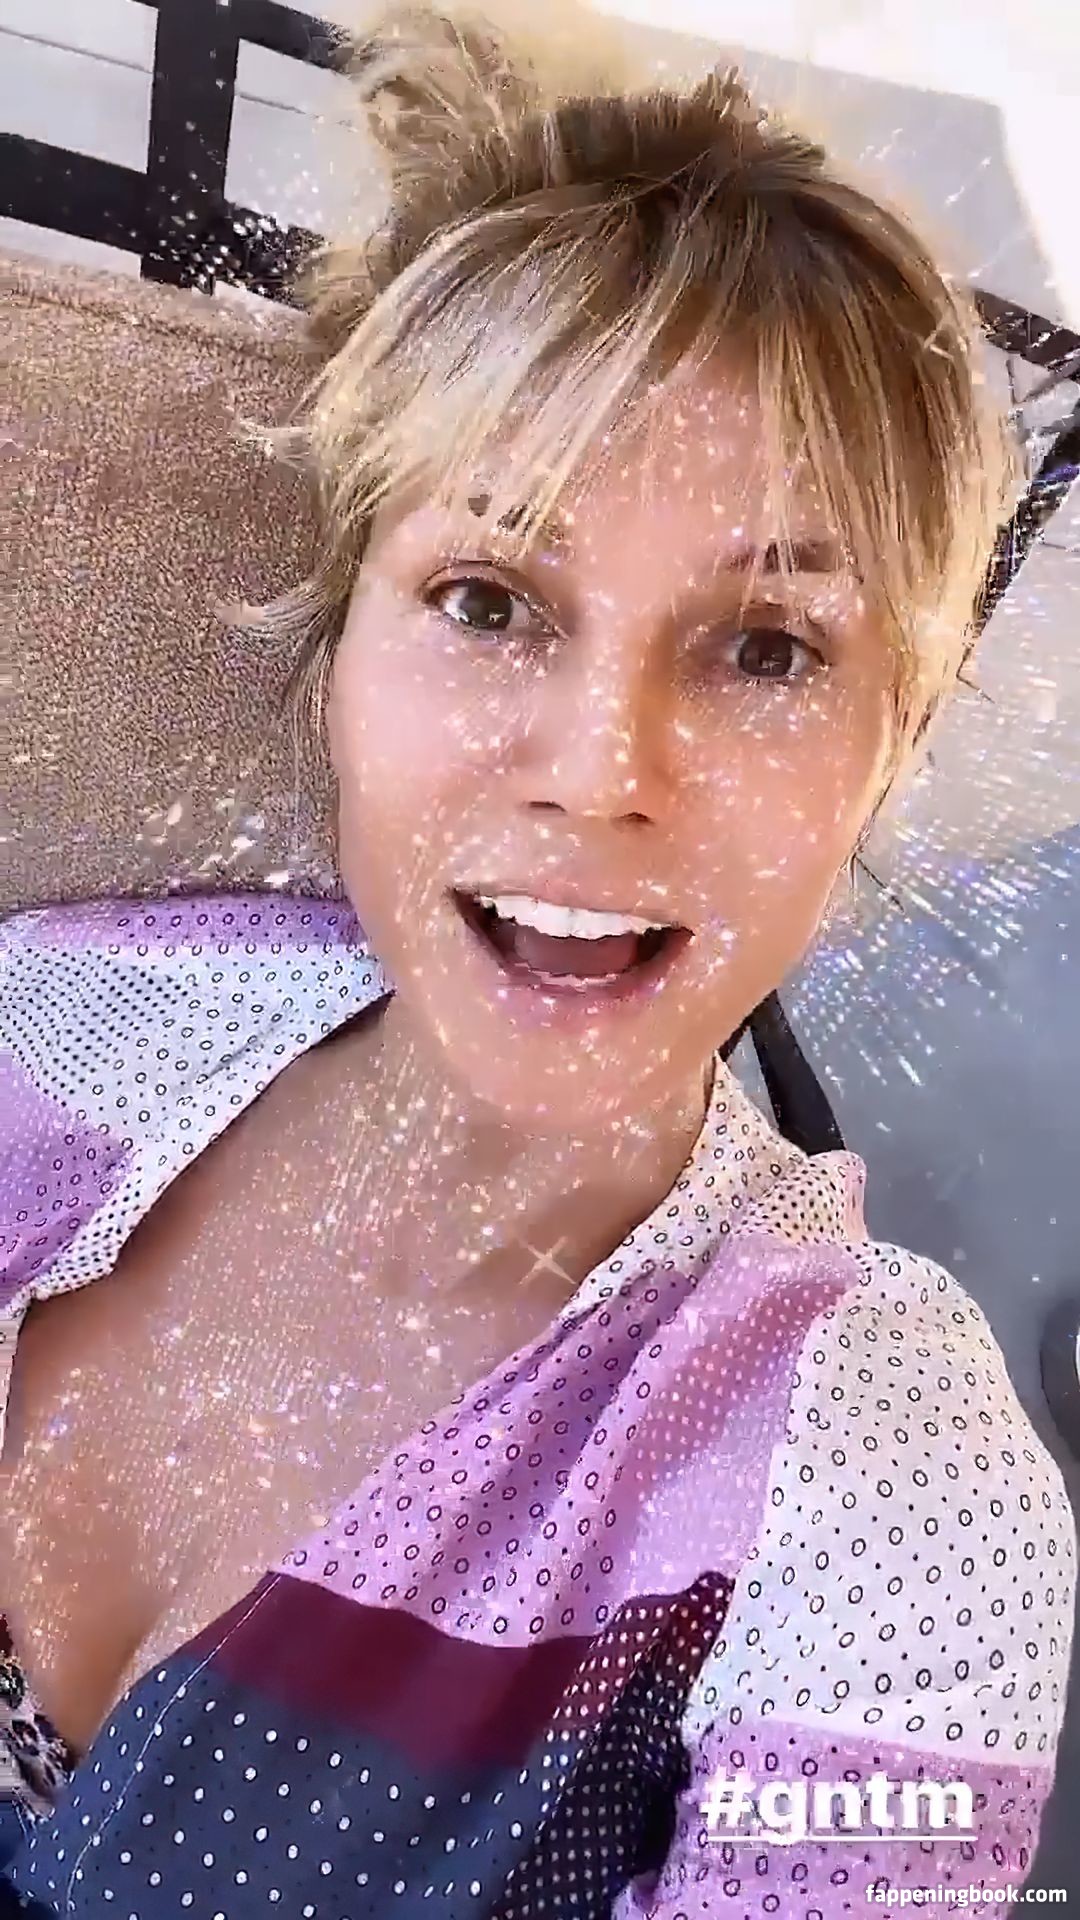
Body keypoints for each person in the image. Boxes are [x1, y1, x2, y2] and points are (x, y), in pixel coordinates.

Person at [0, 3, 1074, 1913]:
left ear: (893, 742)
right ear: (337, 653)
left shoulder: (892, 1488)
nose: (603, 772)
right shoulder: (59, 1016)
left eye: (767, 648)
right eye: (490, 600)